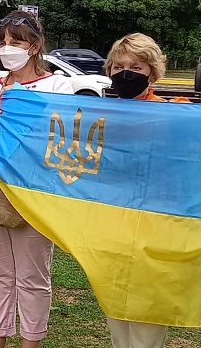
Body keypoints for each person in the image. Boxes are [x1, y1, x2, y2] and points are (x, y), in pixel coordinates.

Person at [0, 10, 73, 348]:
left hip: (35, 193)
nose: (7, 48)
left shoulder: (58, 86)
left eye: (16, 41)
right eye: (2, 42)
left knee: (33, 276)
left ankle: (31, 343)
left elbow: (65, 137)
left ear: (35, 46)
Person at [103, 32, 189, 348]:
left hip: (157, 230)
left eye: (136, 67)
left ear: (151, 72)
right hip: (113, 227)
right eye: (119, 65)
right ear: (109, 69)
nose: (126, 73)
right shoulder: (97, 116)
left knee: (147, 319)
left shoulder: (177, 113)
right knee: (116, 313)